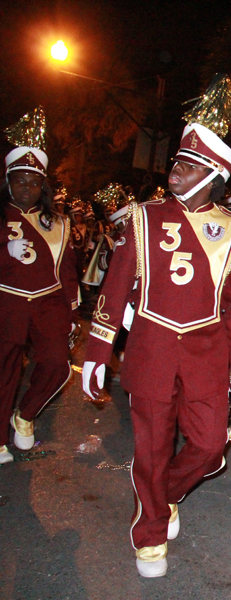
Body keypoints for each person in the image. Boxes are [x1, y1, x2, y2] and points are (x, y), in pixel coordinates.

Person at [81, 75, 231, 577]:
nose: (173, 170)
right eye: (176, 161)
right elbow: (114, 292)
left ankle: (166, 497)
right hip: (153, 346)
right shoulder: (143, 216)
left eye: (186, 164)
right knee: (151, 447)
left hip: (208, 353)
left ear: (212, 174)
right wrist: (97, 352)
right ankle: (149, 532)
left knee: (209, 446)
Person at [1, 107, 80, 465]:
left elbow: (67, 270)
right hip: (7, 302)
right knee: (5, 372)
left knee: (56, 364)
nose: (27, 188)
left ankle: (26, 414)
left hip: (49, 303)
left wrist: (73, 311)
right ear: (8, 182)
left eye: (34, 183)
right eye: (20, 181)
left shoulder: (58, 222)